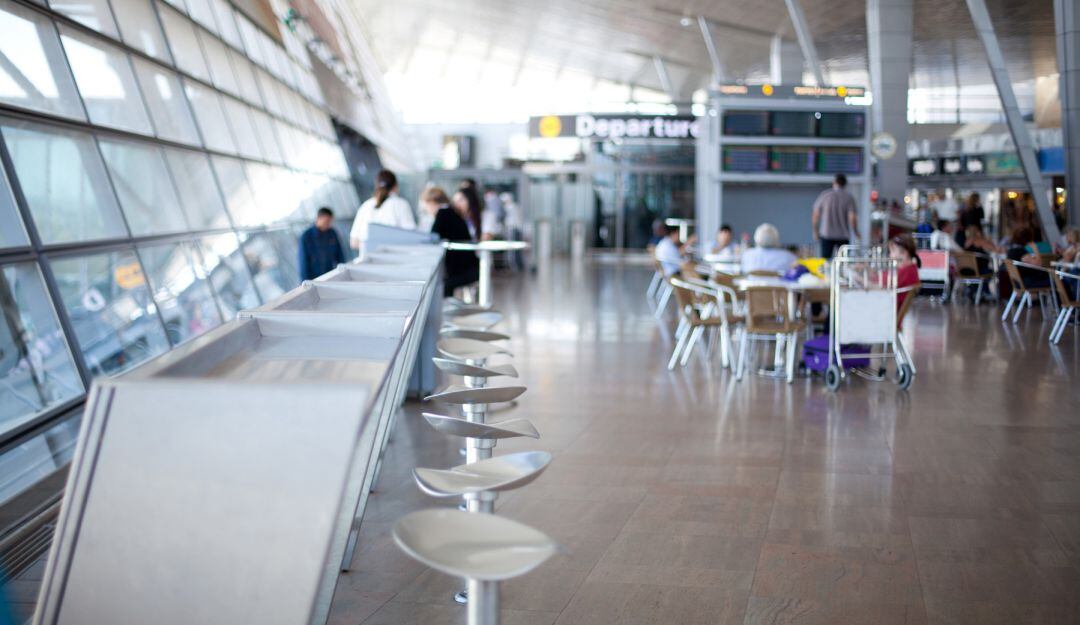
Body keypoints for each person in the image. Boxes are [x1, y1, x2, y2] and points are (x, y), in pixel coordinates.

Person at [422, 186, 480, 296]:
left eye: (427, 206)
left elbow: (432, 237)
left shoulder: (443, 213)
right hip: (468, 267)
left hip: (461, 271)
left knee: (435, 284)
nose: (427, 210)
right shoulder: (451, 212)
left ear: (432, 202)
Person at [349, 169, 416, 253]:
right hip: (395, 260)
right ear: (396, 186)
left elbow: (354, 243)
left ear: (376, 186)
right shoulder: (401, 204)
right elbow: (411, 237)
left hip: (368, 263)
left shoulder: (365, 206)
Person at [811, 173, 857, 258]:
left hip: (826, 234)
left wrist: (815, 231)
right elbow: (852, 217)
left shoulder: (825, 195)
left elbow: (815, 215)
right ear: (845, 184)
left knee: (825, 263)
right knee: (843, 263)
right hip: (843, 235)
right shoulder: (849, 197)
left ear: (834, 182)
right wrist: (856, 232)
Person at [299, 207, 345, 281]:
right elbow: (303, 261)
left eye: (330, 221)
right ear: (319, 218)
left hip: (330, 274)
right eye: (326, 221)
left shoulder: (332, 233)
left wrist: (343, 270)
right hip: (315, 278)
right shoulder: (306, 236)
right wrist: (305, 281)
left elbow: (339, 254)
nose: (329, 224)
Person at [888, 234, 922, 312]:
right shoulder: (911, 269)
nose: (890, 255)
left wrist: (861, 278)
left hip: (890, 315)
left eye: (892, 251)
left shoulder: (907, 272)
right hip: (892, 312)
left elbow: (884, 284)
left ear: (904, 253)